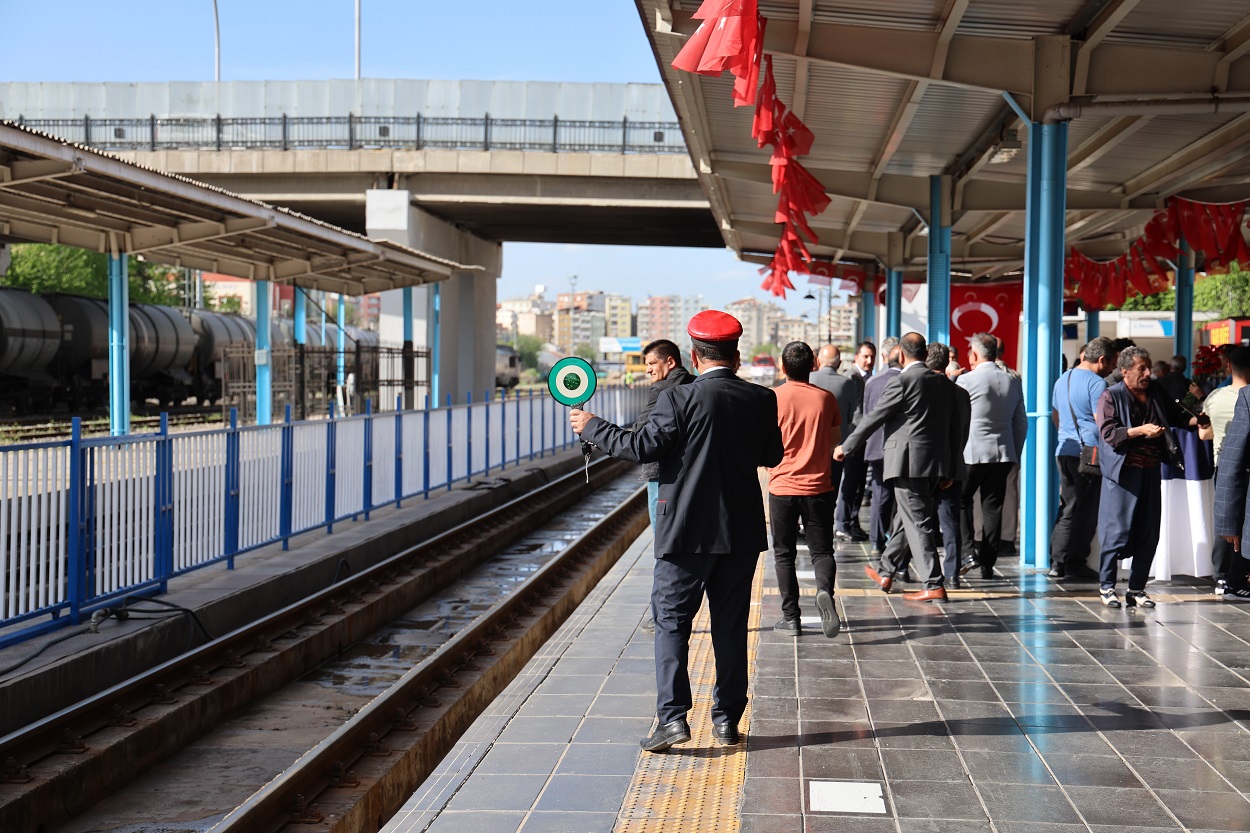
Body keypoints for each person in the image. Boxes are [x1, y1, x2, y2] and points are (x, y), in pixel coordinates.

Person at [570, 310, 783, 752]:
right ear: (736, 356)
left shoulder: (677, 398)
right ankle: (726, 721)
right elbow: (773, 457)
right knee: (731, 628)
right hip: (740, 533)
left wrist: (593, 426)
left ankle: (673, 720)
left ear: (694, 354)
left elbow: (642, 446)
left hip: (684, 531)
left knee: (671, 623)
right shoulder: (762, 399)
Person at [835, 332, 964, 603]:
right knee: (907, 519)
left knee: (917, 522)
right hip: (935, 464)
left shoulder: (902, 381)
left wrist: (846, 447)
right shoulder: (943, 383)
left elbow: (874, 417)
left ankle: (933, 583)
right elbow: (954, 428)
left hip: (907, 463)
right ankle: (886, 570)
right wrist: (950, 468)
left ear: (901, 354)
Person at [1094, 346, 1179, 608]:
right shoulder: (1112, 395)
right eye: (1141, 368)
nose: (1147, 372)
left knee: (1149, 530)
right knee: (1116, 531)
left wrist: (1196, 417)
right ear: (1125, 371)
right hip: (1123, 474)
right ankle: (1107, 587)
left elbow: (1175, 416)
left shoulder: (1154, 391)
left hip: (1151, 471)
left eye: (1148, 367)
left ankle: (1136, 588)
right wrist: (1139, 430)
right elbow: (1109, 433)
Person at [768, 341, 841, 638]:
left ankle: (791, 619)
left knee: (784, 554)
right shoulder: (827, 399)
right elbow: (835, 441)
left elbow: (763, 444)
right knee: (822, 550)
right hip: (819, 486)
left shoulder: (771, 398)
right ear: (813, 365)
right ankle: (824, 590)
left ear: (782, 367)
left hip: (782, 487)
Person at [634, 339, 695, 633]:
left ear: (670, 362)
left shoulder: (661, 390)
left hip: (661, 477)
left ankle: (662, 615)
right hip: (692, 477)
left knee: (664, 548)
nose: (647, 370)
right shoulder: (696, 385)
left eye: (651, 363)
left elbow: (641, 436)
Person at [957, 333, 1027, 580]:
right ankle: (988, 563)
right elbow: (1021, 423)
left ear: (975, 355)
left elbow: (957, 421)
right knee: (992, 507)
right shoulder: (1012, 381)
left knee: (960, 501)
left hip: (972, 452)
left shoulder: (966, 380)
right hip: (1003, 452)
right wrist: (1014, 452)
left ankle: (968, 552)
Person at [1048, 336, 1116, 580]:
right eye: (1112, 363)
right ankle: (1073, 562)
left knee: (1067, 506)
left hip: (1065, 450)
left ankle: (1056, 561)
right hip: (1089, 452)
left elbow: (1056, 416)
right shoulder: (1097, 384)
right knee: (1084, 511)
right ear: (1101, 360)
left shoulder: (1062, 379)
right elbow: (1103, 422)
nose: (1113, 368)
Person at [1205, 346, 1250, 600]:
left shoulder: (1214, 397)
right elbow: (1234, 459)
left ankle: (1224, 576)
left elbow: (1203, 431)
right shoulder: (1246, 398)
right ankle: (1230, 579)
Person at [926, 342, 972, 587]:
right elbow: (962, 433)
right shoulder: (961, 393)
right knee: (950, 522)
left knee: (921, 521)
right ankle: (952, 573)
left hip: (927, 468)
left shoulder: (924, 390)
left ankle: (920, 571)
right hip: (954, 465)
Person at [809, 344, 859, 516]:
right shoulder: (848, 384)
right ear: (839, 363)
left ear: (818, 361)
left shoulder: (808, 379)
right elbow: (851, 416)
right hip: (836, 445)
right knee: (832, 486)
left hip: (810, 445)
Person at [862, 342, 902, 555]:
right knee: (902, 498)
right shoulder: (906, 381)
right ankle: (895, 540)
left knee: (880, 495)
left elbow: (868, 413)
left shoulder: (873, 382)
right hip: (902, 450)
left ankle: (877, 540)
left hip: (876, 447)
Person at [834, 341, 876, 541]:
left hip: (867, 438)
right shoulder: (851, 377)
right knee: (850, 483)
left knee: (859, 483)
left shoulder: (871, 379)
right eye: (865, 356)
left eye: (872, 357)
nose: (869, 361)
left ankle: (852, 521)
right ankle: (842, 523)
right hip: (854, 437)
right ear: (857, 357)